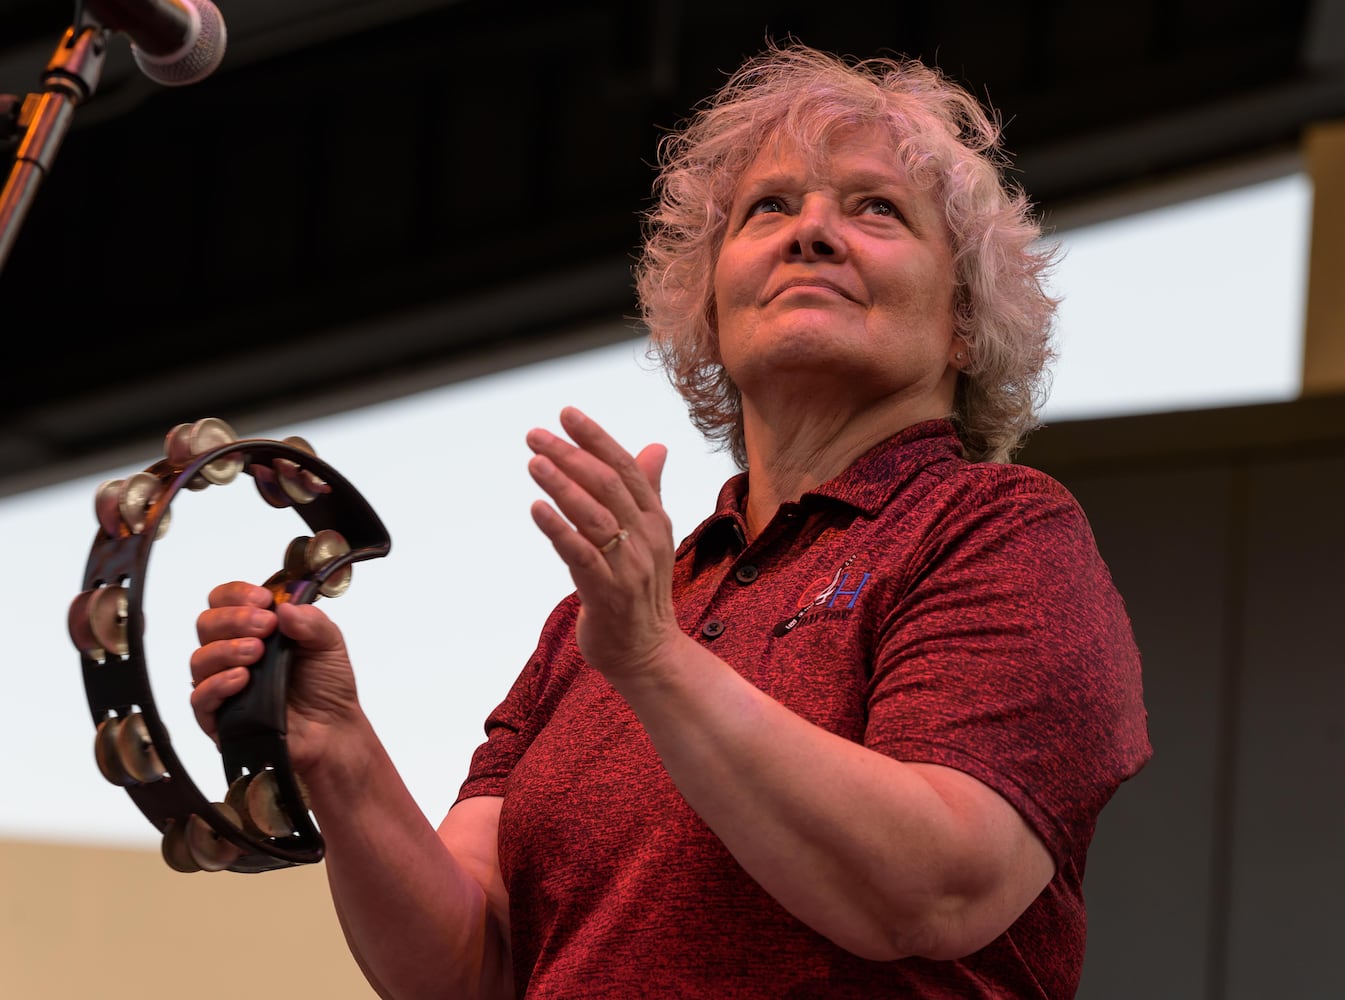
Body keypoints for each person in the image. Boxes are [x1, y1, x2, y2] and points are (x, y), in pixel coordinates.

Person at [188, 40, 1151, 999]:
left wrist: (655, 660)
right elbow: (465, 973)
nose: (810, 234)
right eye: (769, 208)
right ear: (710, 304)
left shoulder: (997, 529)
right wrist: (336, 746)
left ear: (964, 321)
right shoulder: (613, 613)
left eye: (876, 210)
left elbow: (936, 891)